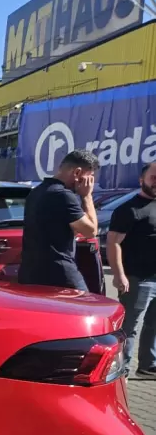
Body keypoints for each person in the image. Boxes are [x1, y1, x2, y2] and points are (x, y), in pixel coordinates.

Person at [18, 149, 100, 290]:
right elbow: (91, 231)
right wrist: (87, 196)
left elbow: (54, 228)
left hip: (30, 273)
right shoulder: (63, 195)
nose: (90, 182)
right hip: (60, 273)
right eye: (90, 177)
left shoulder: (37, 191)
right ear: (77, 173)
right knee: (85, 306)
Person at [108, 162, 156, 377]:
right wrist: (119, 275)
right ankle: (121, 370)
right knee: (130, 327)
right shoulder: (128, 210)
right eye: (153, 177)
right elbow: (113, 243)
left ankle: (147, 365)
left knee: (153, 325)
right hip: (137, 278)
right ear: (141, 180)